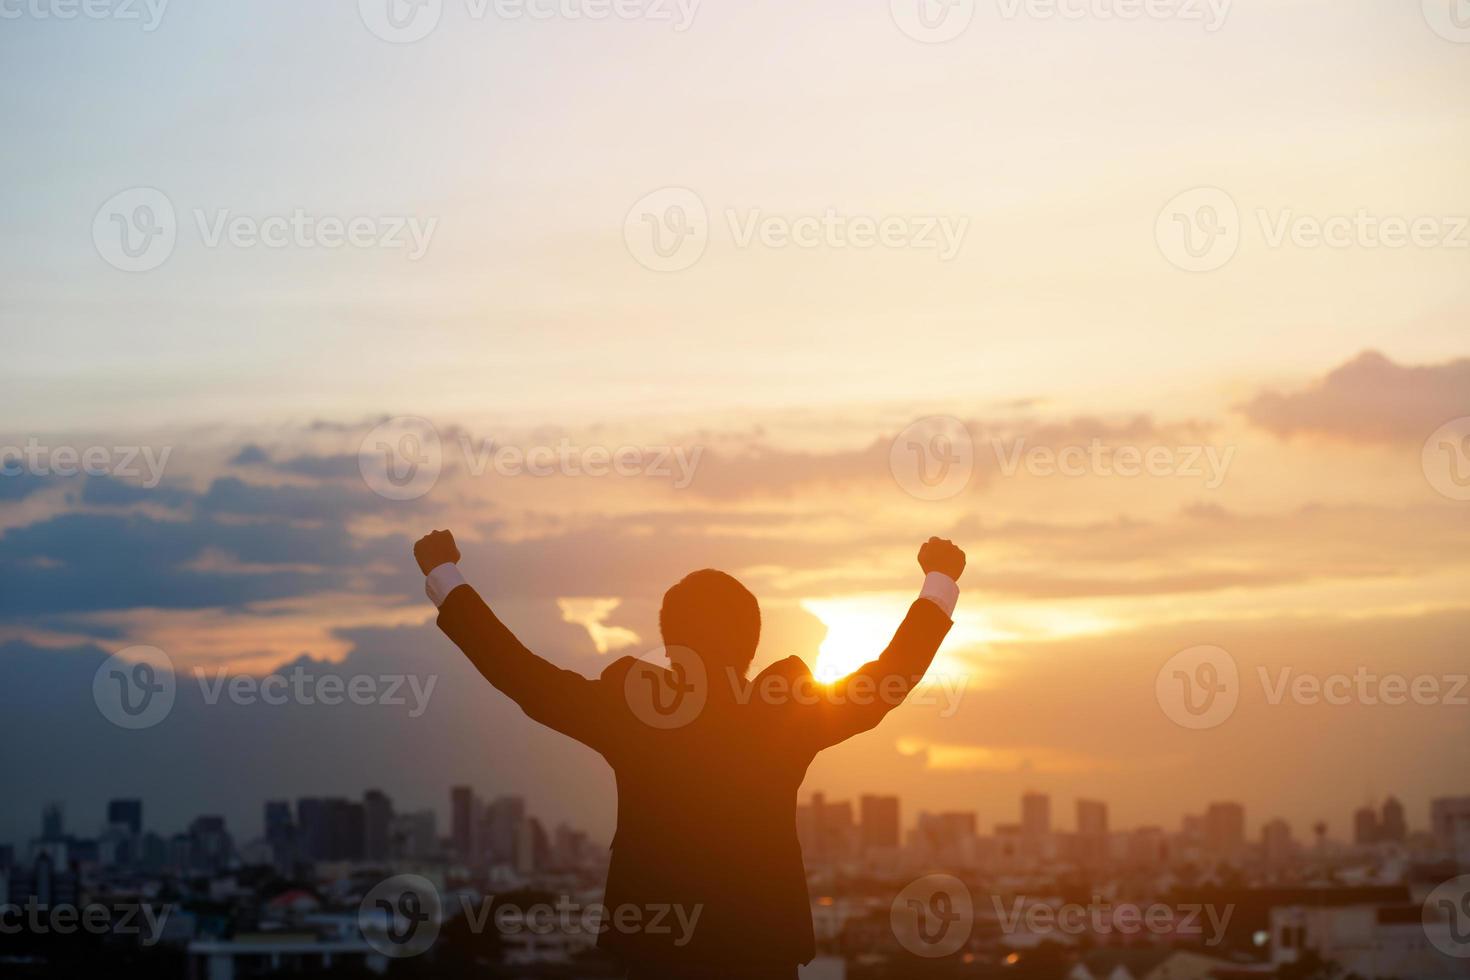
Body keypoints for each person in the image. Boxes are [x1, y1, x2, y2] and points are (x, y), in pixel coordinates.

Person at [413, 530, 965, 979]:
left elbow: (522, 674)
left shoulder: (633, 710)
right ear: (751, 641)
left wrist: (443, 573)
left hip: (658, 954)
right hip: (762, 957)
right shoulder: (785, 714)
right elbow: (888, 680)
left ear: (670, 642)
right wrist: (938, 579)